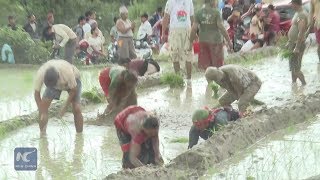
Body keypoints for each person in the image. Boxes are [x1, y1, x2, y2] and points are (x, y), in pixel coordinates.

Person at [34, 59, 83, 134]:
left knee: (76, 108)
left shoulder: (67, 72)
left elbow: (73, 90)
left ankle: (79, 136)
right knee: (43, 108)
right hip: (53, 83)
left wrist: (65, 107)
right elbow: (36, 94)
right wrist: (41, 111)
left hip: (74, 80)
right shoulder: (41, 73)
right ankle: (42, 136)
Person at [191, 0, 233, 70]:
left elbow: (194, 29)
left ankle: (209, 81)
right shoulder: (216, 12)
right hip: (216, 42)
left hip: (203, 41)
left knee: (206, 68)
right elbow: (221, 27)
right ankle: (217, 80)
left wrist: (190, 42)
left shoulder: (198, 13)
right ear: (212, 1)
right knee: (218, 67)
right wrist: (229, 41)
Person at [162, 0, 194, 80]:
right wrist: (163, 33)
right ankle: (179, 79)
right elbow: (165, 18)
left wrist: (194, 32)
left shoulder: (189, 1)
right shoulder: (170, 1)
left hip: (186, 30)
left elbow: (192, 17)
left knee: (187, 55)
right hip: (175, 30)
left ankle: (188, 80)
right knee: (175, 55)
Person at [285, 0, 308, 85]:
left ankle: (304, 84)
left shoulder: (301, 14)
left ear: (296, 4)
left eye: (292, 4)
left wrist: (297, 47)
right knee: (292, 67)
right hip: (292, 43)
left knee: (296, 68)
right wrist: (289, 41)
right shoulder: (297, 13)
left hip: (297, 44)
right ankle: (294, 85)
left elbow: (301, 31)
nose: (291, 6)